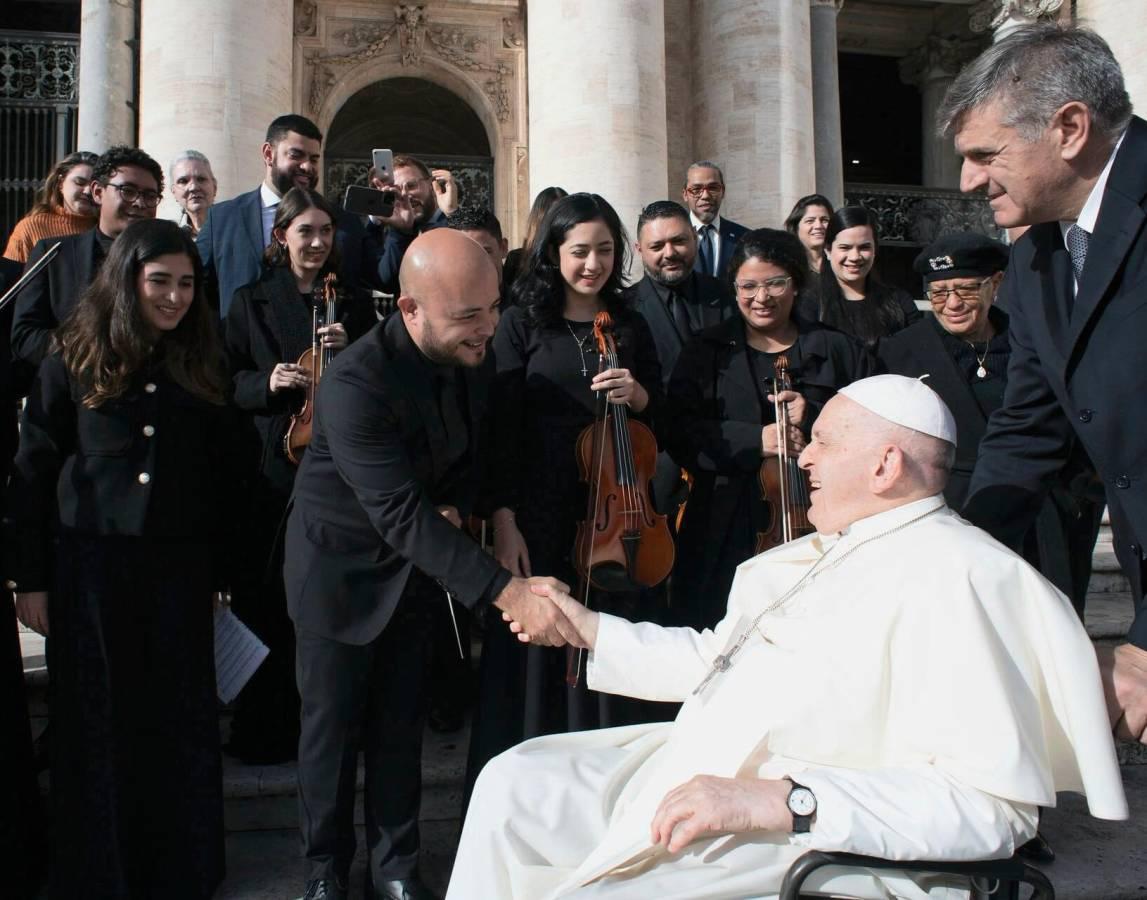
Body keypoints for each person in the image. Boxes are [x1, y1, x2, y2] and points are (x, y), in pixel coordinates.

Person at [449, 375, 1128, 900]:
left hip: (818, 834)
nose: (802, 457)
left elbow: (990, 813)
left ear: (885, 464)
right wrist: (587, 628)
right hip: (706, 768)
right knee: (518, 783)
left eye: (824, 442)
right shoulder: (814, 554)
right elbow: (717, 662)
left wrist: (780, 801)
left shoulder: (966, 579)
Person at [285, 228, 573, 900]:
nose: (490, 328)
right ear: (411, 310)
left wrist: (474, 506)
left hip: (418, 575)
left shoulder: (475, 356)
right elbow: (397, 514)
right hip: (339, 575)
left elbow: (473, 458)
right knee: (329, 735)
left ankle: (396, 867)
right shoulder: (354, 381)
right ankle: (322, 871)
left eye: (494, 307)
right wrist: (508, 593)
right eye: (469, 316)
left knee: (398, 725)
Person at [2, 218, 240, 899]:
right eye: (159, 282)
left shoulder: (201, 361)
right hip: (92, 572)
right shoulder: (72, 358)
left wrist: (220, 577)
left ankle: (180, 869)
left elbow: (220, 479)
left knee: (175, 724)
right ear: (127, 280)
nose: (173, 298)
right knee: (99, 725)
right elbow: (34, 471)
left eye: (186, 284)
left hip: (177, 574)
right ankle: (101, 872)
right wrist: (31, 579)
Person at [937, 23, 1147, 746]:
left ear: (1068, 128)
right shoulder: (1035, 258)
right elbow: (1027, 432)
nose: (967, 181)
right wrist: (953, 563)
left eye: (984, 155)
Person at [466, 192, 665, 796]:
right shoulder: (523, 322)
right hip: (539, 510)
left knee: (607, 641)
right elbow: (496, 427)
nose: (593, 264)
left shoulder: (629, 323)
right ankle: (525, 796)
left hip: (614, 512)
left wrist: (640, 397)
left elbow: (665, 414)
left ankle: (608, 792)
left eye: (605, 250)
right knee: (536, 652)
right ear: (555, 251)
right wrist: (504, 519)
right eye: (580, 251)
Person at [667, 228, 872, 628]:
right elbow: (677, 430)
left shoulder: (837, 348)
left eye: (775, 283)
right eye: (748, 286)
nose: (761, 298)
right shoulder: (705, 351)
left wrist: (813, 416)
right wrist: (754, 439)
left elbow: (874, 426)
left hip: (823, 522)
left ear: (795, 284)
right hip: (723, 524)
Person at [223, 187, 349, 764]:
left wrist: (351, 351)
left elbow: (383, 378)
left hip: (334, 472)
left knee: (324, 601)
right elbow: (225, 381)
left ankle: (324, 729)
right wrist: (265, 383)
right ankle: (263, 727)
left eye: (326, 232)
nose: (318, 242)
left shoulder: (349, 304)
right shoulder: (250, 301)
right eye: (306, 232)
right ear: (282, 237)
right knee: (266, 596)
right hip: (272, 468)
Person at [196, 114, 372, 320]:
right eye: (296, 155)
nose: (307, 166)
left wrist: (396, 226)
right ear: (269, 154)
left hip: (315, 348)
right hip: (240, 348)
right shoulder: (223, 219)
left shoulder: (342, 221)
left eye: (314, 159)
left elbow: (377, 278)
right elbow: (196, 287)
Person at [12, 145, 164, 366]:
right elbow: (25, 337)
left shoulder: (169, 256)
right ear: (98, 192)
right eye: (127, 191)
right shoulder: (54, 254)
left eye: (150, 196)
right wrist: (88, 347)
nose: (139, 203)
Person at [629, 200, 734, 516]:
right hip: (656, 462)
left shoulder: (728, 297)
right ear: (639, 249)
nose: (669, 253)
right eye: (657, 245)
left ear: (696, 239)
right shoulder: (624, 308)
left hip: (724, 454)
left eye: (678, 241)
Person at [798, 205, 922, 349]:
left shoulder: (899, 301)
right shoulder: (807, 305)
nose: (855, 257)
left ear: (875, 250)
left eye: (864, 247)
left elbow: (918, 352)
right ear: (828, 251)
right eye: (845, 247)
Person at [371, 154, 459, 294]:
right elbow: (387, 284)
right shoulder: (396, 233)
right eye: (397, 190)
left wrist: (452, 215)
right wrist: (402, 231)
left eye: (411, 186)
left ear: (431, 185)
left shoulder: (457, 220)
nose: (405, 195)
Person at [3, 150, 99, 263]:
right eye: (79, 182)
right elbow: (13, 279)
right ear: (60, 183)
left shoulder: (107, 230)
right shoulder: (31, 228)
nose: (87, 191)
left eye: (95, 186)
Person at [682, 160, 748, 279]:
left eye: (713, 188)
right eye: (696, 189)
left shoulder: (745, 238)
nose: (705, 196)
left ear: (723, 191)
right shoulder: (671, 238)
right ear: (685, 194)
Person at [502, 185, 568, 289]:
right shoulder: (516, 259)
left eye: (561, 215)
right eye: (550, 214)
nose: (556, 221)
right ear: (539, 217)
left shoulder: (572, 258)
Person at [783, 192, 833, 282]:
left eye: (824, 220)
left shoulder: (841, 263)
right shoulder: (786, 265)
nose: (818, 226)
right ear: (796, 227)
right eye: (810, 221)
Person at [169, 149, 218, 237]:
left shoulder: (236, 227)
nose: (193, 187)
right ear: (174, 192)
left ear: (214, 187)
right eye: (183, 181)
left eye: (201, 179)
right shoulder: (169, 236)